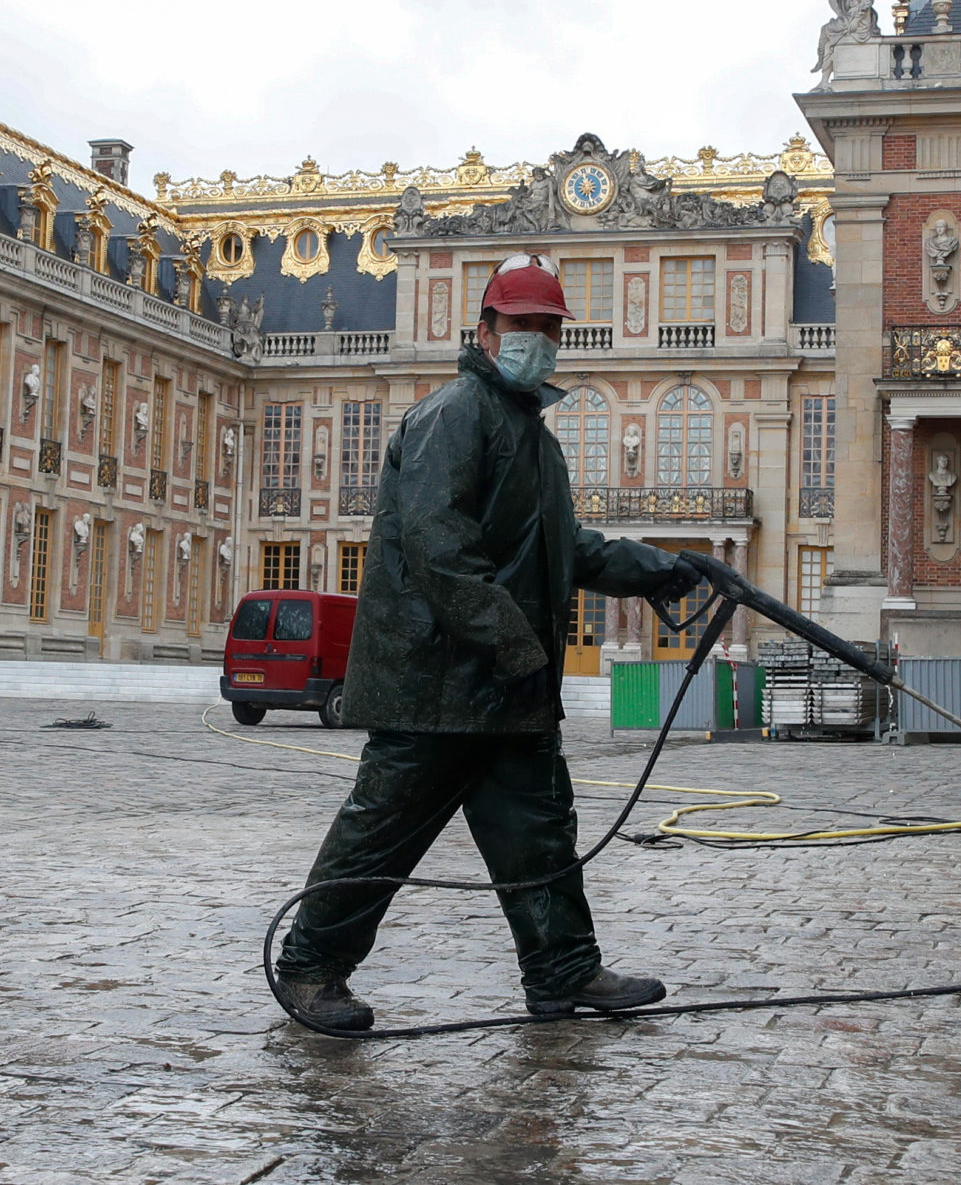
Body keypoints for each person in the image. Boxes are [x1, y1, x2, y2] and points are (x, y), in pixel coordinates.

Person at [273, 252, 703, 1032]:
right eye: (522, 324)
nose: (536, 337)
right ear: (485, 329)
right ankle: (309, 968)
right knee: (378, 837)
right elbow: (443, 554)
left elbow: (565, 548)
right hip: (433, 687)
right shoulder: (450, 417)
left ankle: (563, 971)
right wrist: (522, 651)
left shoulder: (536, 440)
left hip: (506, 694)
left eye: (548, 326)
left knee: (540, 836)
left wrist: (661, 569)